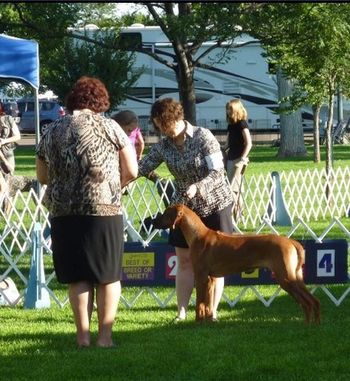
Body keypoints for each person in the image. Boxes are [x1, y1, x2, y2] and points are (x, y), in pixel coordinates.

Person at [36, 76, 138, 348]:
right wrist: (116, 185)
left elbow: (42, 175)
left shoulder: (52, 129)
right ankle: (105, 338)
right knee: (108, 275)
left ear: (72, 100)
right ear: (100, 101)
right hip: (103, 209)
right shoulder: (111, 126)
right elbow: (132, 170)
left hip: (64, 211)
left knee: (77, 275)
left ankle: (82, 338)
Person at [138, 98, 234, 322]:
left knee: (215, 261)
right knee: (184, 260)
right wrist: (123, 178)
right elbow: (142, 167)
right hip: (183, 210)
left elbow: (218, 172)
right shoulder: (164, 146)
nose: (162, 130)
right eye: (158, 126)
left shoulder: (203, 137)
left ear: (176, 118)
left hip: (215, 204)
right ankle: (181, 312)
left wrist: (198, 187)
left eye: (164, 124)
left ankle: (212, 311)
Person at [224, 99, 252, 220]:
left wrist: (243, 158)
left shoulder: (242, 124)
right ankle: (238, 214)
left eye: (230, 109)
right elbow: (227, 144)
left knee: (232, 187)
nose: (227, 112)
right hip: (230, 158)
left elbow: (249, 143)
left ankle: (237, 214)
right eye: (227, 109)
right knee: (234, 187)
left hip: (238, 159)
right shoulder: (231, 126)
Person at [0, 102, 21, 213]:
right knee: (2, 185)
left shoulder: (8, 119)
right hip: (2, 155)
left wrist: (4, 140)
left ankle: (7, 212)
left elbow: (17, 136)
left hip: (8, 154)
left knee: (9, 183)